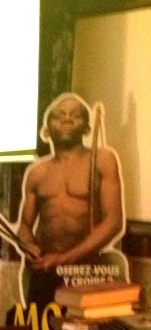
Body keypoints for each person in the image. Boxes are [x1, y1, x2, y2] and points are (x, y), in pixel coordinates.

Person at [15, 92, 128, 312]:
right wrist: (28, 246)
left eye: (76, 115)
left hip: (88, 270)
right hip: (45, 268)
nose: (67, 119)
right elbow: (24, 226)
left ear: (87, 128)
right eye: (59, 115)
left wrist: (63, 259)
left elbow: (113, 221)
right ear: (46, 130)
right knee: (40, 329)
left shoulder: (103, 160)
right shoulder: (37, 173)